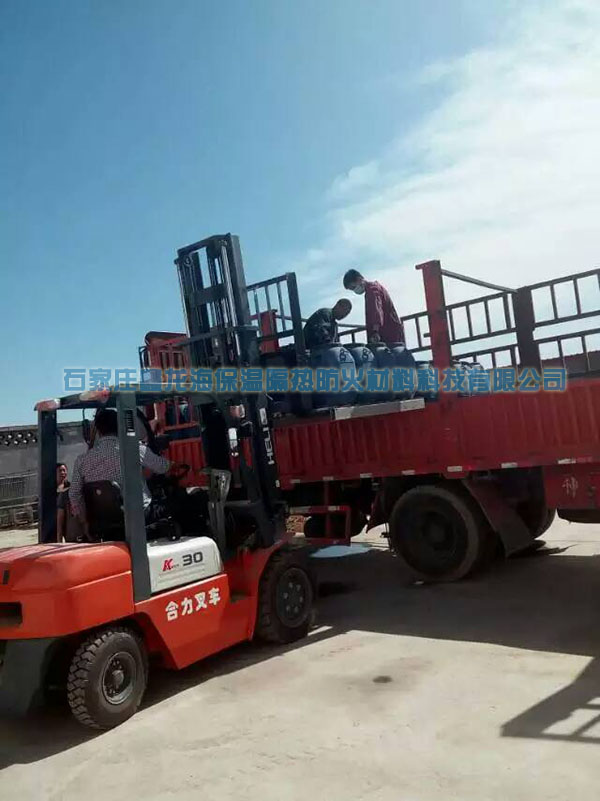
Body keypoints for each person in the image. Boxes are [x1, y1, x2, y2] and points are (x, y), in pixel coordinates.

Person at [69, 408, 185, 526]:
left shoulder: (82, 460)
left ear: (98, 431)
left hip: (102, 521)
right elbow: (162, 467)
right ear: (120, 427)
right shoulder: (135, 449)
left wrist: (84, 522)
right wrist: (175, 465)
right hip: (139, 516)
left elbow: (74, 493)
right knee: (181, 501)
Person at [343, 269, 404, 344]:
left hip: (387, 334)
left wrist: (375, 332)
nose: (354, 290)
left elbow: (376, 310)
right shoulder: (375, 287)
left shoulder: (372, 290)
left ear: (359, 279)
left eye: (353, 287)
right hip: (391, 331)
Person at [56, 463, 70, 541]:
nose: (62, 473)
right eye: (60, 471)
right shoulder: (51, 488)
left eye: (64, 470)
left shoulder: (69, 486)